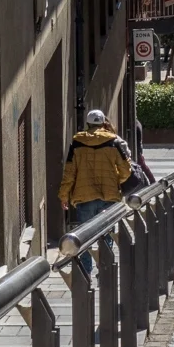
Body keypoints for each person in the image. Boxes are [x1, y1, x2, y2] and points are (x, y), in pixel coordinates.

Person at [59, 109, 132, 274]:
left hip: (84, 197)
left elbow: (69, 173)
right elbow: (126, 170)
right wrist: (115, 181)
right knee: (107, 234)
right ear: (103, 123)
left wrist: (64, 195)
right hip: (109, 195)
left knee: (84, 237)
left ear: (88, 124)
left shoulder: (77, 143)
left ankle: (85, 273)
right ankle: (105, 271)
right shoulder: (113, 142)